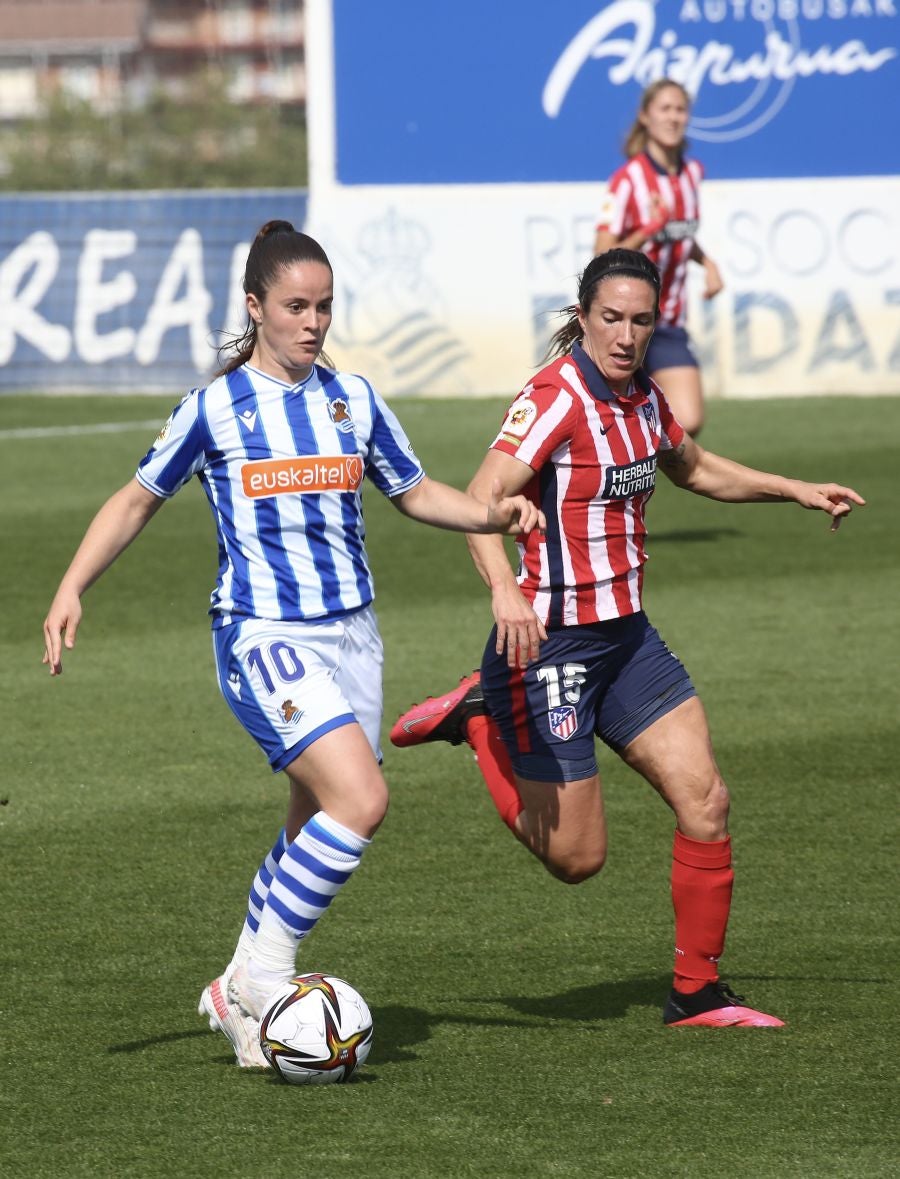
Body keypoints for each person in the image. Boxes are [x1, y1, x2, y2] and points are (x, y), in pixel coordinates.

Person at [42, 219, 544, 1069]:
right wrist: (71, 585)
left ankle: (233, 981)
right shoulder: (215, 408)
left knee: (316, 815)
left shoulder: (354, 399)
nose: (312, 323)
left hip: (355, 636)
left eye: (325, 307)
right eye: (296, 307)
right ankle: (265, 977)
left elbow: (415, 493)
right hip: (262, 634)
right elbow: (135, 499)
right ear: (256, 307)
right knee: (361, 801)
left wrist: (492, 512)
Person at [390, 248, 864, 1028]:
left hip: (628, 642)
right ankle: (479, 721)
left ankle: (695, 993)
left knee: (706, 797)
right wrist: (506, 591)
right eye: (611, 317)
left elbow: (696, 468)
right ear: (583, 317)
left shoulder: (644, 397)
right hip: (550, 650)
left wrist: (797, 491)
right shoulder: (553, 397)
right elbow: (480, 499)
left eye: (641, 320)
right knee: (578, 861)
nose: (626, 334)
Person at [593, 78, 722, 436]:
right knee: (594, 423)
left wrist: (708, 264)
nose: (673, 117)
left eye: (680, 109)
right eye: (665, 108)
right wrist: (647, 228)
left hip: (666, 324)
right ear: (645, 117)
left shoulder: (691, 174)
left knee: (688, 422)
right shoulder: (627, 181)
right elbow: (601, 256)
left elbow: (681, 236)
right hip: (623, 319)